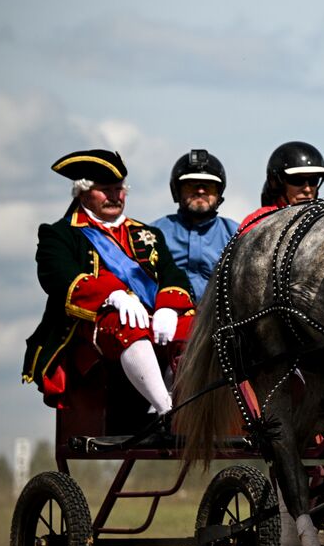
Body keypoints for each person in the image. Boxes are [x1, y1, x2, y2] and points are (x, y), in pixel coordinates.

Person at [22, 150, 195, 415]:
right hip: (90, 326)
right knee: (127, 325)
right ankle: (166, 412)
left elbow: (172, 273)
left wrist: (169, 307)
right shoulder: (59, 234)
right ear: (82, 193)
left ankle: (178, 400)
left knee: (196, 327)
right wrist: (114, 295)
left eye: (119, 189)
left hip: (150, 316)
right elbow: (58, 277)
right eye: (105, 190)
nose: (115, 196)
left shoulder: (148, 233)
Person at [152, 149, 238, 297]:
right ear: (177, 191)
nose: (200, 191)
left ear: (219, 194)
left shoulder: (236, 234)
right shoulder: (153, 233)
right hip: (166, 315)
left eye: (208, 186)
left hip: (220, 318)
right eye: (191, 185)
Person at [240, 141, 324, 231]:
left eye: (314, 180)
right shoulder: (257, 222)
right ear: (277, 183)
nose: (307, 189)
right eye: (297, 180)